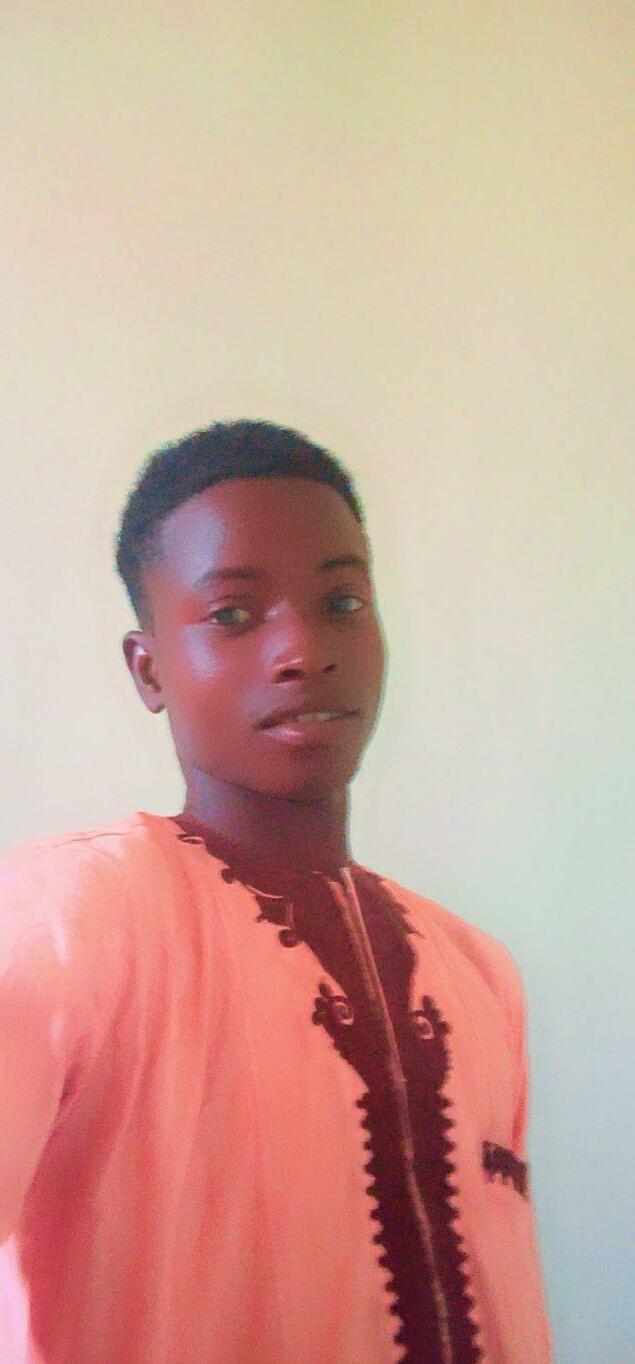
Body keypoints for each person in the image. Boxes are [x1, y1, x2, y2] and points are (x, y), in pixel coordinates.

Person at [0, 420, 552, 1363]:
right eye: (233, 615)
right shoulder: (64, 921)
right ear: (147, 670)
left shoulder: (478, 973)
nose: (303, 648)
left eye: (341, 601)